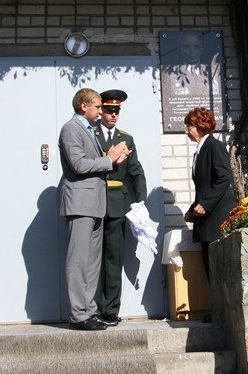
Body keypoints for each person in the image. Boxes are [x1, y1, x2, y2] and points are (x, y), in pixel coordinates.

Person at [59, 88, 130, 331]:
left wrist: (114, 158)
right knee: (78, 260)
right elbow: (78, 164)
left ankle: (89, 311)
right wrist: (109, 160)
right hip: (80, 204)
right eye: (98, 107)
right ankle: (78, 314)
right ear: (83, 106)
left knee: (91, 262)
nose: (101, 111)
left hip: (96, 204)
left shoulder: (88, 130)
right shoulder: (71, 129)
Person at [92, 89, 148, 326]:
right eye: (108, 110)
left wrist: (140, 202)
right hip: (92, 203)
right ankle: (89, 308)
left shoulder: (126, 139)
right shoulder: (90, 134)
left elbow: (135, 171)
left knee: (113, 258)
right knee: (91, 259)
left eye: (116, 111)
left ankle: (110, 310)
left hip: (116, 204)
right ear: (100, 111)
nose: (113, 115)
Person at [182, 107, 237, 286]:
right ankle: (215, 312)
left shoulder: (214, 146)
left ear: (200, 126)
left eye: (189, 127)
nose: (187, 131)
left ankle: (220, 312)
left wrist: (205, 204)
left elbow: (224, 177)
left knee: (217, 268)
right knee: (210, 267)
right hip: (207, 217)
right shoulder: (201, 149)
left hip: (217, 217)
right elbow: (204, 186)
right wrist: (193, 210)